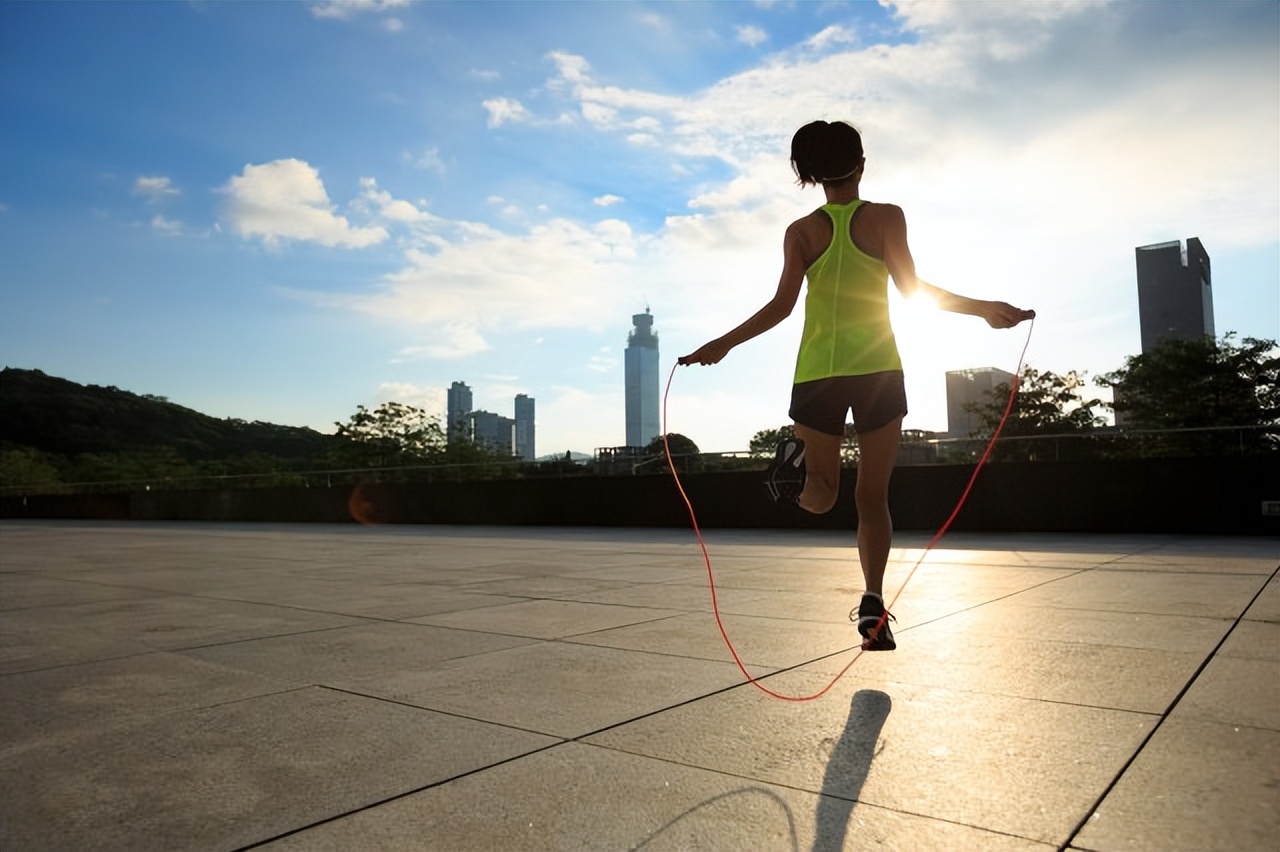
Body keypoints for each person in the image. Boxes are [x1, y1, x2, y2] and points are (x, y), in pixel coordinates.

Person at [679, 120, 1034, 651]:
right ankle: (873, 601)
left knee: (821, 500)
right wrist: (982, 309)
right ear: (862, 164)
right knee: (873, 496)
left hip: (817, 373)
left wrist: (723, 344)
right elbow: (912, 290)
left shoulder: (800, 232)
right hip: (877, 371)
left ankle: (791, 476)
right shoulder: (888, 218)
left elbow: (781, 307)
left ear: (811, 178)